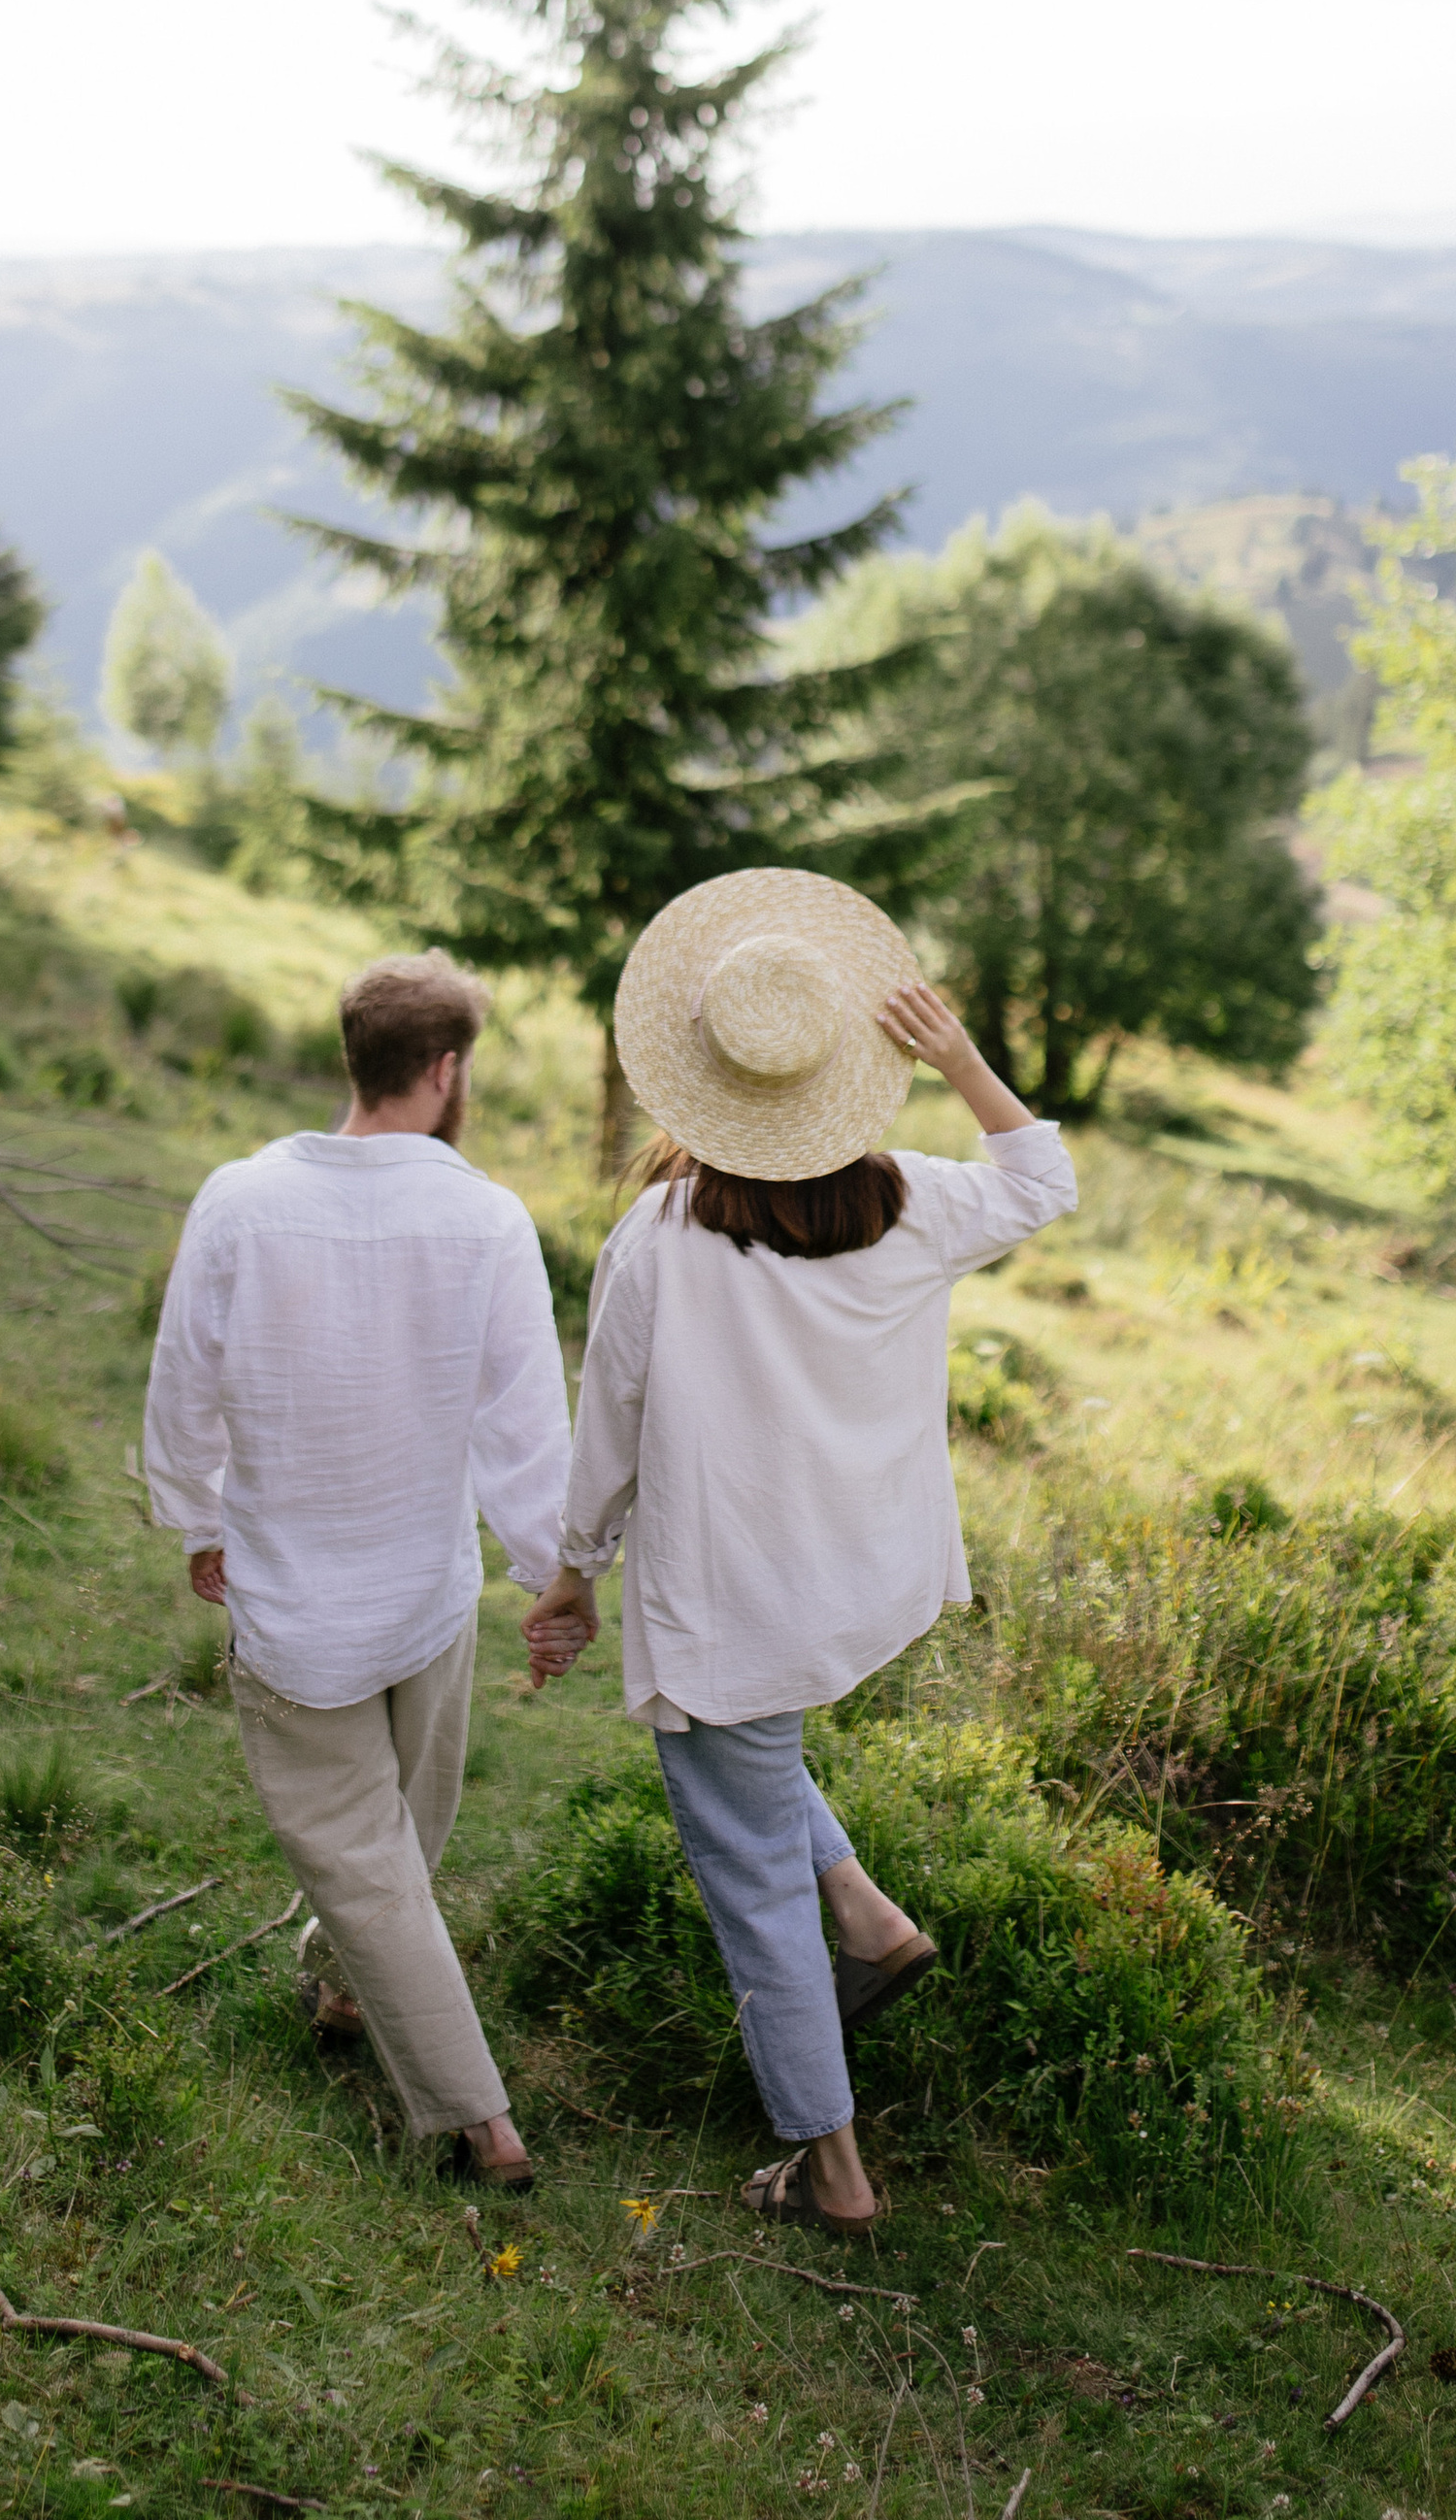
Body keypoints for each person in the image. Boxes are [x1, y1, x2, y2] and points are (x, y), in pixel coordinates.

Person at [522, 868, 1076, 2236]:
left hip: (733, 1597)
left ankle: (834, 2175)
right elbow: (1044, 1176)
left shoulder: (657, 1242)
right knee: (760, 1768)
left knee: (746, 1871)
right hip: (852, 1579)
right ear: (843, 1067)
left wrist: (574, 1570)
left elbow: (611, 1431)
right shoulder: (914, 1204)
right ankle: (872, 1917)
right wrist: (959, 1061)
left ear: (691, 1077)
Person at [144, 948, 568, 2192]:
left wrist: (197, 1518)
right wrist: (553, 1574)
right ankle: (475, 2109)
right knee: (385, 1855)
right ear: (445, 1070)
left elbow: (184, 1380)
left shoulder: (239, 1196)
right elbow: (522, 1428)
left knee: (381, 1859)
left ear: (356, 1057)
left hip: (298, 1598)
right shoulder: (488, 1217)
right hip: (427, 1597)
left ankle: (393, 2038)